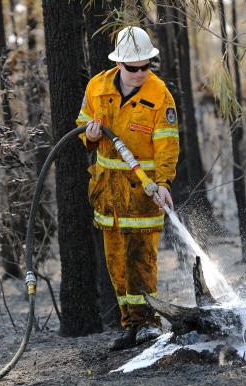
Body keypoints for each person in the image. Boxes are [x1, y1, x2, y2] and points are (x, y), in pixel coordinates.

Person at [76, 26, 180, 350]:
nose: (140, 73)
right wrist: (90, 135)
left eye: (145, 66)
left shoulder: (159, 94)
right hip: (108, 193)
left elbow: (167, 145)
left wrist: (163, 183)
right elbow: (82, 128)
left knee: (141, 258)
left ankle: (148, 321)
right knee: (116, 262)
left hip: (144, 193)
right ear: (119, 64)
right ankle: (130, 324)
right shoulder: (97, 87)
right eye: (133, 67)